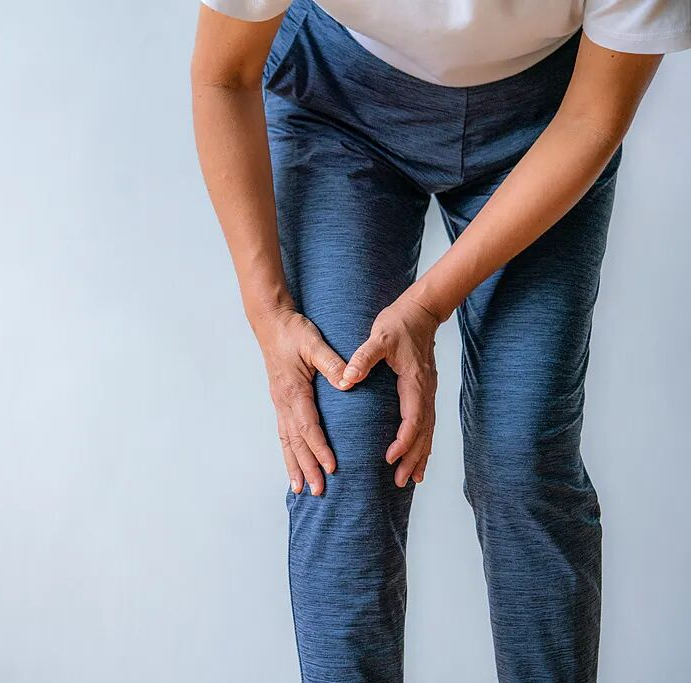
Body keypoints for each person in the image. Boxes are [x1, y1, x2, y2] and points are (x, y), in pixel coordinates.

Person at [190, 0, 690, 681]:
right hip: (340, 105)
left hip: (547, 122)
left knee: (521, 457)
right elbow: (222, 74)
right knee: (340, 443)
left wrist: (426, 306)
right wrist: (269, 313)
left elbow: (593, 117)